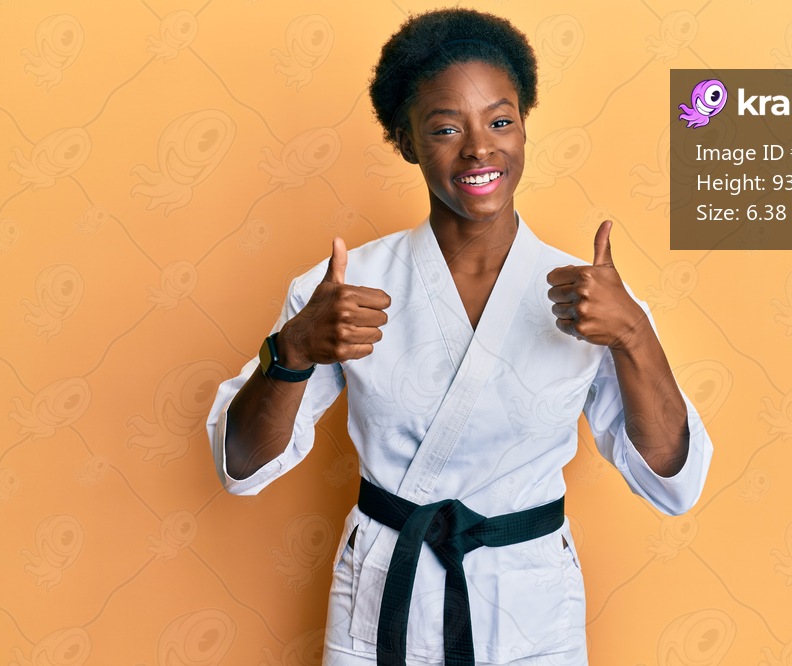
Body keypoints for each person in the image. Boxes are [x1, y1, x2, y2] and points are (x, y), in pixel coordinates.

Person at [206, 8, 713, 665]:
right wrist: (291, 352)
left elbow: (674, 482)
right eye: (446, 128)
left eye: (500, 121)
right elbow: (240, 467)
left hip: (533, 609)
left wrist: (635, 336)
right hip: (386, 597)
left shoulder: (592, 299)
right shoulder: (344, 289)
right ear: (407, 139)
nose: (480, 148)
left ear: (524, 126)